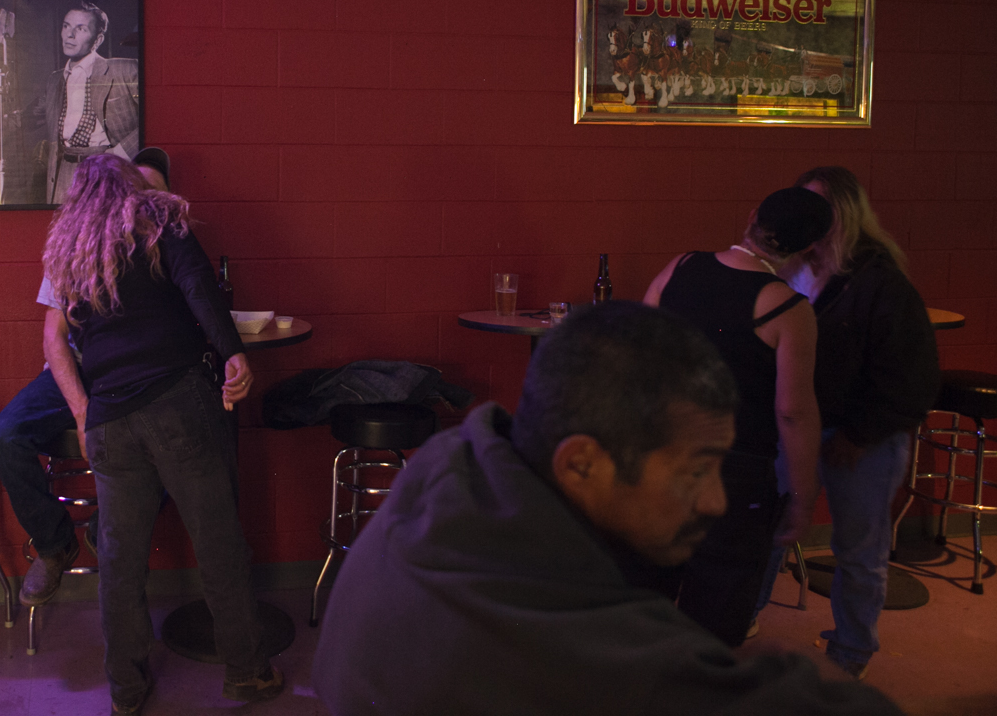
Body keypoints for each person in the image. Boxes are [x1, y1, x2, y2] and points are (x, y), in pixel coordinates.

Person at [311, 302, 899, 716]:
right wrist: (794, 664)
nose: (717, 499)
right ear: (583, 465)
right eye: (697, 468)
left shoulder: (458, 461)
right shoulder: (588, 662)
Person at [42, 153, 280, 714]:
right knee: (218, 541)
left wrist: (83, 413)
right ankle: (246, 673)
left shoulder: (71, 254)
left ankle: (125, 687)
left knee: (120, 562)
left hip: (109, 420)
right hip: (177, 402)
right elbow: (200, 286)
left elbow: (59, 343)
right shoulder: (159, 221)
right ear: (131, 189)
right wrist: (235, 355)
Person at [642, 186, 833, 646]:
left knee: (644, 596)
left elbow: (638, 355)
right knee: (717, 611)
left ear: (751, 216)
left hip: (659, 457)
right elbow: (793, 412)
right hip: (734, 473)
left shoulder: (681, 266)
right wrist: (803, 499)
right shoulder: (789, 309)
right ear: (809, 247)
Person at [0, 149, 172, 608]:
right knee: (5, 436)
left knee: (184, 445)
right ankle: (55, 544)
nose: (143, 202)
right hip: (77, 367)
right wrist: (83, 410)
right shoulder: (78, 243)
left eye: (154, 194)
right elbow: (54, 334)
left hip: (137, 374)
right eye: (136, 192)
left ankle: (104, 528)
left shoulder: (172, 244)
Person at [781, 166, 940, 678]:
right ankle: (739, 621)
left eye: (819, 209)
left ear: (844, 213)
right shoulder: (797, 269)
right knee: (772, 524)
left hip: (860, 436)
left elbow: (911, 376)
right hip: (804, 426)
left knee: (859, 550)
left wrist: (860, 433)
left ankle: (850, 655)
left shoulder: (880, 281)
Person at [43, 3, 139, 204]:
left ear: (98, 39)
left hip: (107, 168)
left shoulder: (125, 69)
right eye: (66, 26)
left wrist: (119, 154)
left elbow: (155, 117)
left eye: (81, 29)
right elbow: (25, 116)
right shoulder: (55, 80)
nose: (70, 35)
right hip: (65, 172)